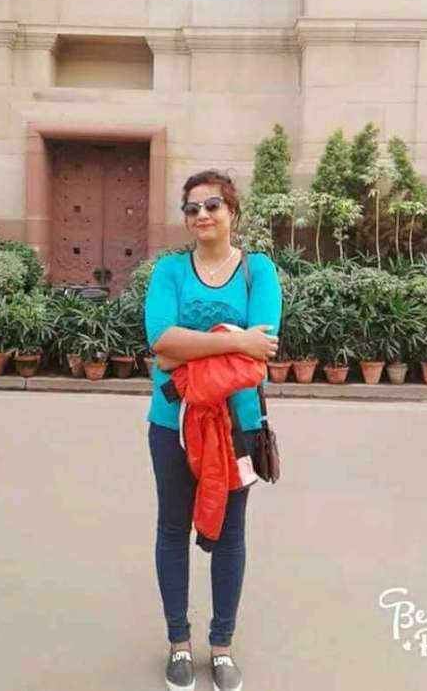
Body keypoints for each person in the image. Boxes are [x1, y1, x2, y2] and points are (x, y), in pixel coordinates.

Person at [145, 170, 282, 691]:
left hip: (237, 427)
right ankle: (178, 642)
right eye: (191, 208)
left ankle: (221, 645)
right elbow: (161, 342)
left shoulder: (258, 271)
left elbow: (259, 353)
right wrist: (234, 340)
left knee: (230, 533)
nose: (201, 214)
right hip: (172, 424)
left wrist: (194, 347)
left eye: (212, 205)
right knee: (172, 529)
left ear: (232, 211)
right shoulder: (169, 272)